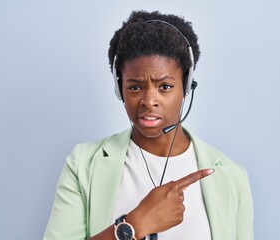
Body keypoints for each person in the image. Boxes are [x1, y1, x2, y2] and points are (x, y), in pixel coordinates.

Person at [44, 10, 254, 240]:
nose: (148, 101)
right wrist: (135, 224)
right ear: (119, 88)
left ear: (185, 86)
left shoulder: (232, 177)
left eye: (164, 86)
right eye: (135, 87)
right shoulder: (83, 164)